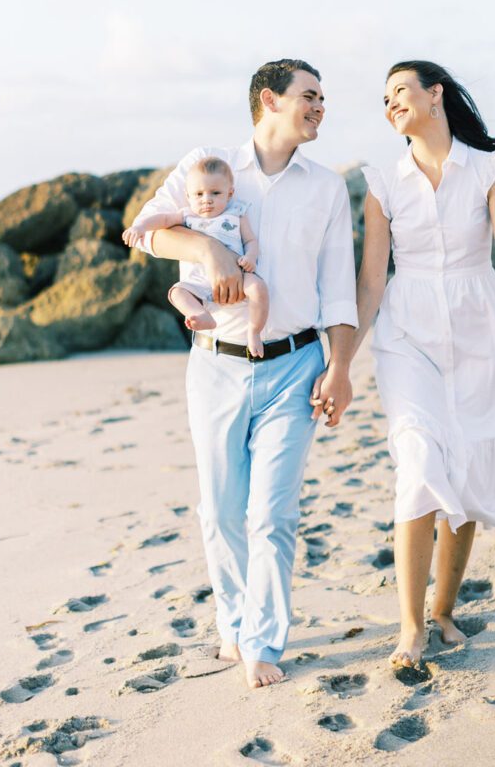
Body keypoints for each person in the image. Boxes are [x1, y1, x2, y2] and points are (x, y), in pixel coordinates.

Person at [125, 59, 357, 689]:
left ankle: (263, 643)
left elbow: (339, 292)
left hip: (296, 366)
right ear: (269, 100)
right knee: (222, 511)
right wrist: (205, 247)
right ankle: (233, 625)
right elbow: (142, 236)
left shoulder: (327, 189)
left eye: (322, 98)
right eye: (309, 96)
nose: (319, 108)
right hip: (216, 368)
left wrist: (340, 368)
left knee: (272, 515)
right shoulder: (210, 167)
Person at [353, 60, 495, 668]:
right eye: (384, 98)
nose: (391, 103)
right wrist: (341, 360)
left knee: (466, 469)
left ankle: (445, 609)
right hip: (407, 332)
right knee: (419, 461)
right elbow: (371, 279)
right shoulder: (382, 182)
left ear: (435, 94)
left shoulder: (489, 169)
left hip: (479, 327)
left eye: (400, 91)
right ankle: (411, 628)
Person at [123, 156, 269, 356]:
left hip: (237, 272)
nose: (206, 199)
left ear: (230, 193)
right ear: (188, 196)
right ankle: (199, 313)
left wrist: (250, 257)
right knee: (177, 293)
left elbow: (251, 241)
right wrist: (140, 226)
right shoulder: (187, 216)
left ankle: (253, 331)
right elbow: (163, 219)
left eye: (215, 193)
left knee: (259, 289)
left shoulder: (236, 214)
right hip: (197, 280)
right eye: (199, 194)